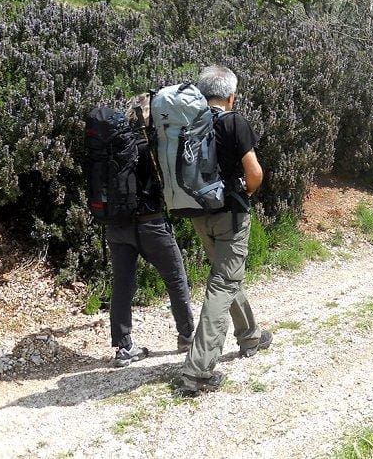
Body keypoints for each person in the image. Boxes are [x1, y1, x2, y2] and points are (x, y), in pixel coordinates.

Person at [181, 66, 272, 393]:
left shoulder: (188, 122)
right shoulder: (235, 122)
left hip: (197, 212)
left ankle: (250, 336)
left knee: (225, 274)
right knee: (223, 281)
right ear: (231, 96)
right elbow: (255, 173)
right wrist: (246, 192)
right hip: (230, 213)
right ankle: (198, 370)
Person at [105, 94, 195, 367]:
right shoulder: (150, 143)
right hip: (151, 223)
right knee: (175, 276)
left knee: (122, 284)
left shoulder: (110, 144)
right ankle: (187, 335)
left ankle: (123, 348)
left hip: (116, 226)